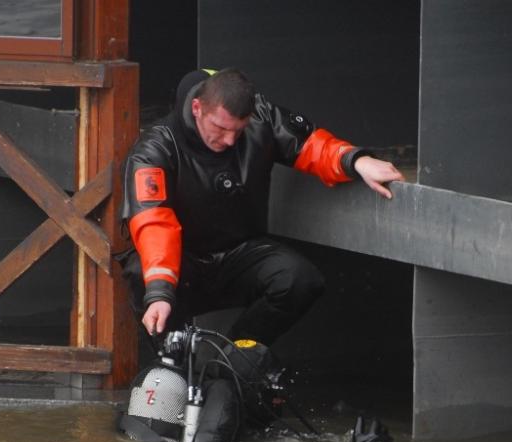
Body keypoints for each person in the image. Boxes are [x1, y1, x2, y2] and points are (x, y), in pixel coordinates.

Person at [120, 68, 403, 345]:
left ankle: (235, 360)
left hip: (241, 253)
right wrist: (159, 293)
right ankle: (173, 371)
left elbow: (310, 145)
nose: (230, 140)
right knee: (142, 275)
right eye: (220, 128)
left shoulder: (260, 116)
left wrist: (355, 160)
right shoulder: (155, 147)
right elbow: (154, 221)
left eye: (238, 131)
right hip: (183, 261)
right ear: (197, 108)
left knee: (300, 279)